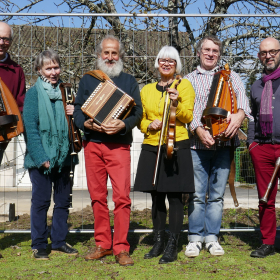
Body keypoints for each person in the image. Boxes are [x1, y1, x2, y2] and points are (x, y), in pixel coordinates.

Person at [73, 35, 142, 266]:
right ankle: (103, 244)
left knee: (122, 198)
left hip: (119, 146)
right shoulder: (87, 80)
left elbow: (137, 113)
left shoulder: (129, 81)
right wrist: (85, 124)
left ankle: (121, 248)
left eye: (114, 53)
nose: (110, 57)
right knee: (97, 197)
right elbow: (77, 110)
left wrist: (124, 124)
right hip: (93, 145)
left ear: (120, 55)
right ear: (99, 55)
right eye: (106, 53)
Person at [184, 35, 252, 257]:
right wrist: (198, 129)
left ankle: (212, 237)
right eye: (207, 50)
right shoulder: (189, 79)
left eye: (215, 50)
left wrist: (239, 116)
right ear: (199, 52)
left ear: (219, 54)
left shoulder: (231, 76)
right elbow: (188, 109)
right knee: (196, 194)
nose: (211, 54)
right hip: (198, 145)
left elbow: (242, 101)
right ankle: (194, 238)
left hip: (225, 145)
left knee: (216, 195)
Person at [134, 46, 195, 264]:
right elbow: (140, 118)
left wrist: (177, 103)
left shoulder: (184, 85)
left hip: (176, 144)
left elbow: (188, 117)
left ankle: (172, 244)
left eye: (171, 60)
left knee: (175, 197)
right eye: (163, 60)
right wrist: (148, 124)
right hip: (152, 145)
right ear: (157, 63)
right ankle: (158, 241)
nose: (167, 63)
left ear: (177, 64)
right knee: (156, 195)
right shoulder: (147, 90)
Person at [23, 49, 78, 260]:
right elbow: (31, 128)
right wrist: (41, 157)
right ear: (39, 70)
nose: (53, 72)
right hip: (41, 159)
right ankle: (38, 244)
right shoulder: (33, 94)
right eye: (49, 68)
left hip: (65, 156)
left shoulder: (68, 91)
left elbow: (77, 123)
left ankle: (59, 241)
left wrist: (76, 113)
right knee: (41, 202)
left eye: (56, 67)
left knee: (63, 202)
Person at [248, 37, 280, 258]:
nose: (268, 56)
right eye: (263, 53)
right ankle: (268, 242)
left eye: (272, 51)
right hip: (263, 148)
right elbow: (251, 117)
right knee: (265, 198)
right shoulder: (256, 85)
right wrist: (252, 144)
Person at [0, 22, 26, 164]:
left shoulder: (16, 70)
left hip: (2, 132)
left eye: (6, 39)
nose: (1, 43)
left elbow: (20, 104)